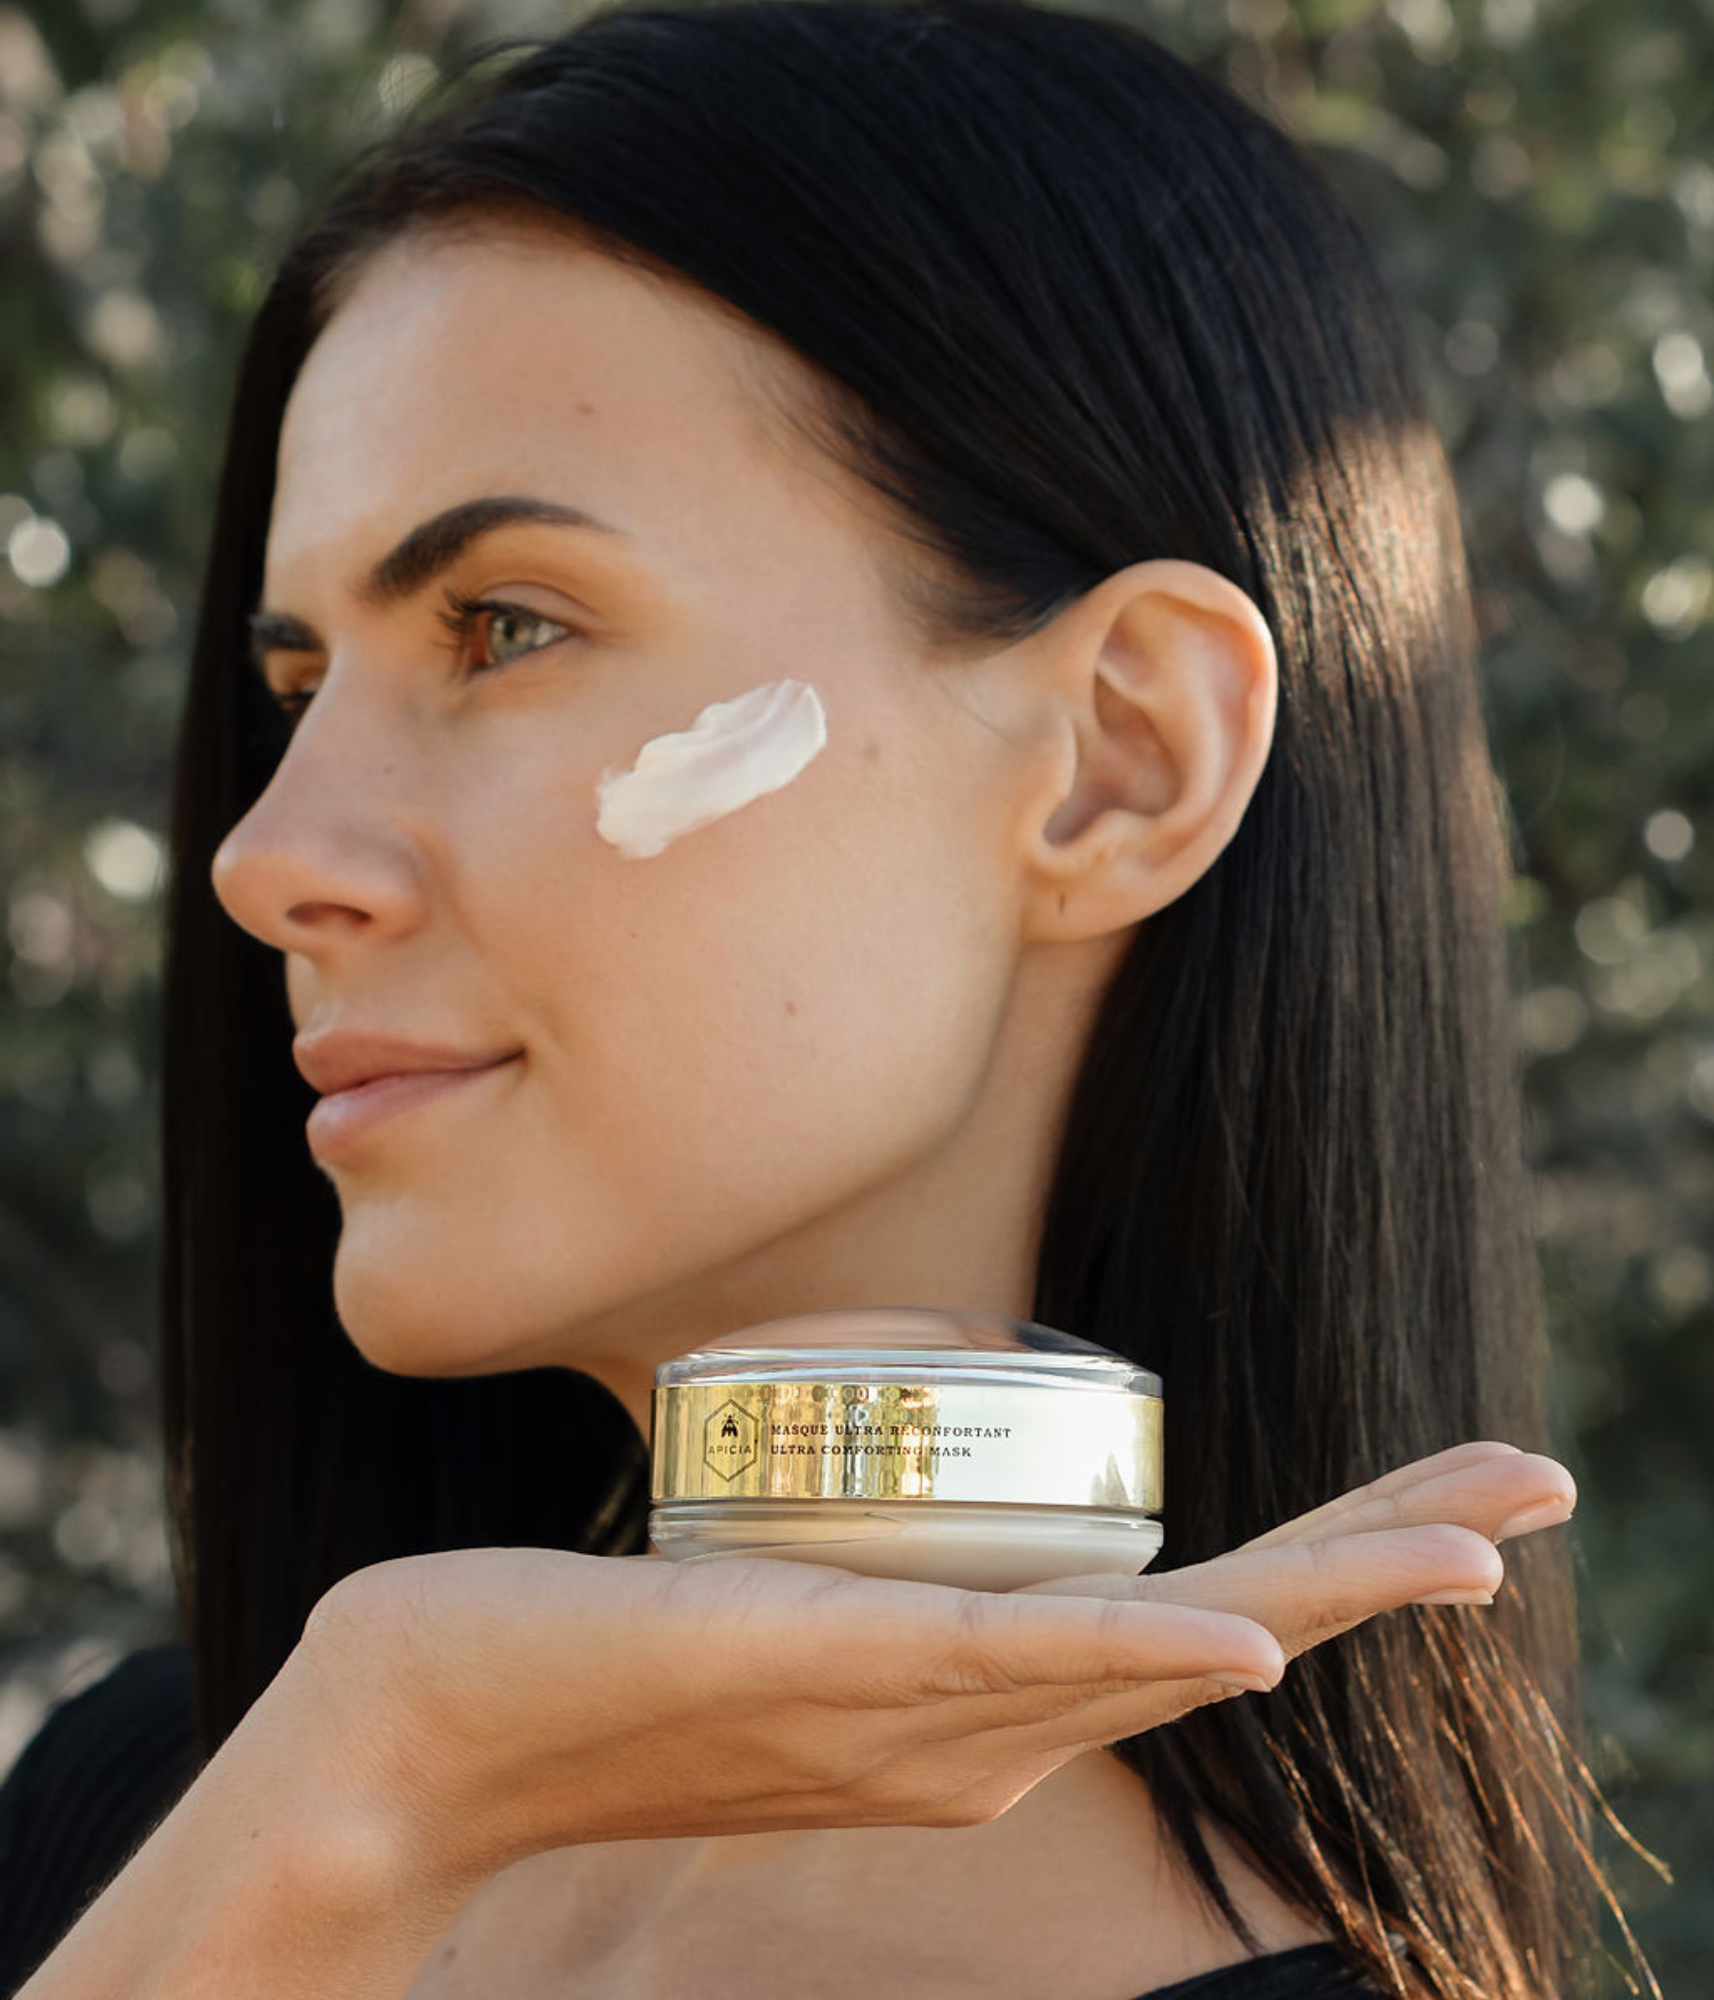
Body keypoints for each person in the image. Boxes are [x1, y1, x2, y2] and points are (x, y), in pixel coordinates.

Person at [0, 1, 1645, 1994]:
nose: (268, 857)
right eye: (289, 694)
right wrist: (364, 1778)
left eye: (504, 627)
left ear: (1116, 758)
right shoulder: (170, 1798)